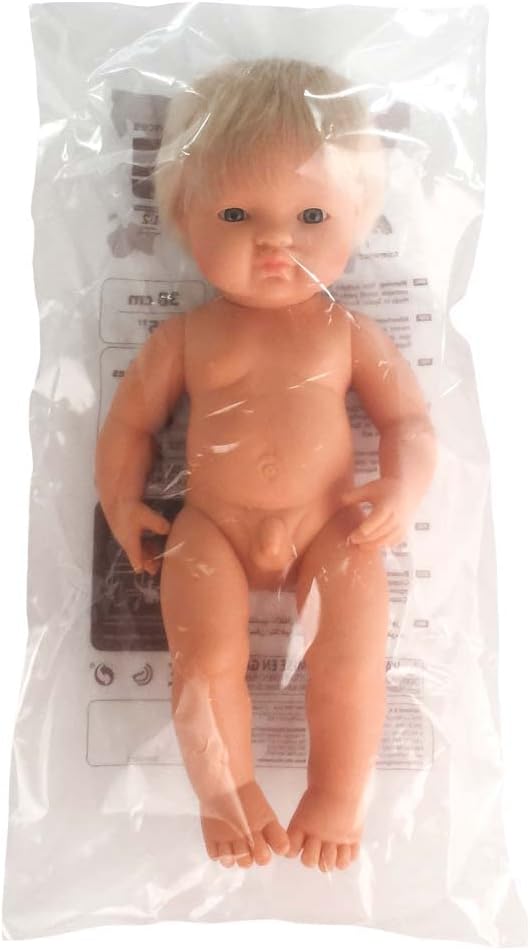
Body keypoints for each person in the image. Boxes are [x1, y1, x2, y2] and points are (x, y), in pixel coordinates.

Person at [95, 58, 436, 872]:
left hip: (334, 527)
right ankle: (226, 794)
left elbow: (409, 421)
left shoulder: (346, 331)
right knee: (204, 664)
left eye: (312, 213)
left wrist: (404, 486)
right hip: (211, 529)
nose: (277, 240)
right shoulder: (186, 336)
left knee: (352, 660)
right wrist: (121, 502)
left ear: (358, 219)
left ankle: (337, 796)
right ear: (185, 217)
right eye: (237, 213)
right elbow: (129, 425)